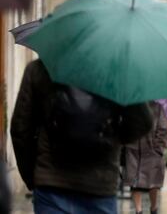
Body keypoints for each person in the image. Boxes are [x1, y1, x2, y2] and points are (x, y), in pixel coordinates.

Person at [10, 59, 153, 213]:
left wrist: (32, 177)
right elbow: (143, 121)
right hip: (100, 184)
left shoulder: (40, 68)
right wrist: (113, 140)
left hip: (52, 184)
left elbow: (20, 128)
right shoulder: (117, 71)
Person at [124, 101, 167, 214]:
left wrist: (158, 149)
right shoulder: (130, 108)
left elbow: (164, 130)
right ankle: (138, 211)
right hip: (133, 150)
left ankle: (153, 208)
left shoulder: (157, 108)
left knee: (153, 183)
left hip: (152, 152)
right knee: (134, 182)